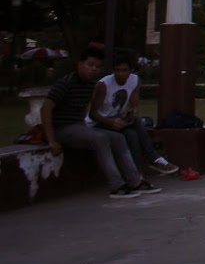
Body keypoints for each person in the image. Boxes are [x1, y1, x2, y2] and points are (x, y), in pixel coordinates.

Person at [41, 48, 159, 198]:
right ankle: (117, 185)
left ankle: (135, 181)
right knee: (101, 139)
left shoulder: (90, 85)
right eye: (90, 65)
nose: (93, 69)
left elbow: (84, 109)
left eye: (97, 67)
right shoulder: (66, 83)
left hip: (78, 127)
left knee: (118, 138)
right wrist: (52, 140)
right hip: (63, 129)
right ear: (80, 64)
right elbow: (45, 109)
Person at [89, 50, 177, 176]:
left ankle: (137, 175)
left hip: (118, 121)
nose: (120, 74)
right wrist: (110, 122)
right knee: (135, 123)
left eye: (124, 70)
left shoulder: (134, 80)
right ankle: (154, 158)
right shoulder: (104, 84)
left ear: (130, 70)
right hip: (101, 123)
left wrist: (132, 112)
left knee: (132, 135)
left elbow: (134, 104)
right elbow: (93, 114)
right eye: (117, 70)